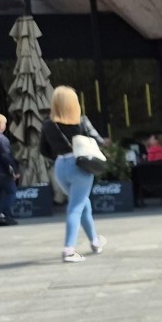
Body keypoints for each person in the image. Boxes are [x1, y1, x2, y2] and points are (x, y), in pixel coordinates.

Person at [41, 86, 106, 263]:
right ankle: (69, 250)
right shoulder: (82, 121)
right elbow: (99, 141)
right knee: (76, 207)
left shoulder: (48, 124)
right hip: (80, 166)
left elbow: (44, 150)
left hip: (60, 166)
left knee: (83, 203)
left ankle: (95, 241)